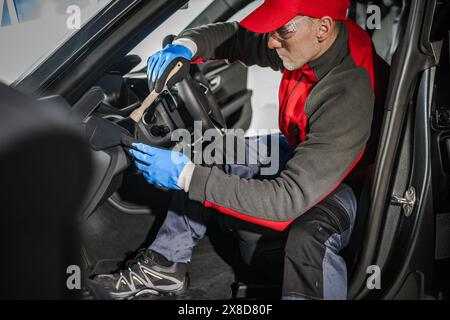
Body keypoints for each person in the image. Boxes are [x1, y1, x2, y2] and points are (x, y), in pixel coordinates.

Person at [95, 0, 381, 300]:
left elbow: (286, 202)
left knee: (310, 236)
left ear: (323, 27)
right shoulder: (309, 40)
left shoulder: (348, 91)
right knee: (213, 151)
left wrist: (187, 177)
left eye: (282, 30)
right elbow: (237, 37)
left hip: (354, 180)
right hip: (309, 150)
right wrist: (185, 47)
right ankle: (165, 266)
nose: (271, 40)